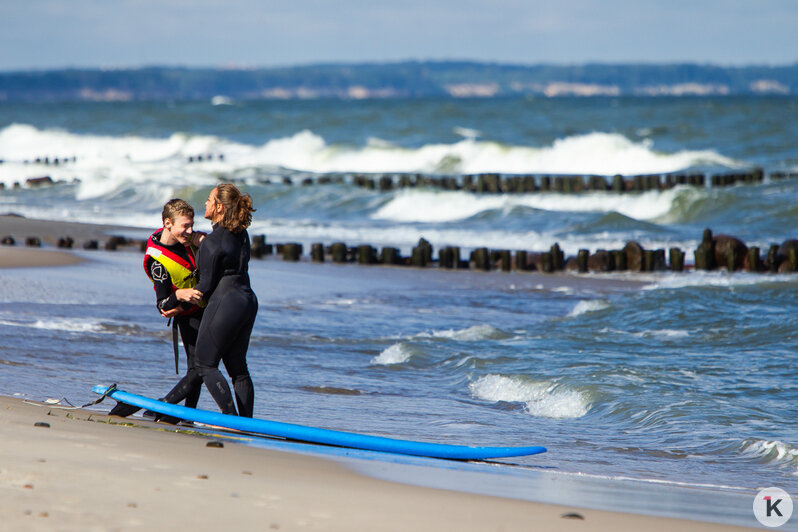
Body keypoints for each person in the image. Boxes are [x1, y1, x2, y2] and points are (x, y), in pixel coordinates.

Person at [108, 199, 205, 418]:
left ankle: (184, 414)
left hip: (205, 309)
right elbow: (162, 305)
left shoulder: (188, 240)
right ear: (168, 223)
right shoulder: (157, 262)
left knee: (198, 368)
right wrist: (179, 295)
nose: (190, 231)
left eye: (192, 225)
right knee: (198, 369)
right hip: (188, 316)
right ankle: (165, 409)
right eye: (185, 226)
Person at [180, 183, 258, 417]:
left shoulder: (213, 242)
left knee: (204, 364)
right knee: (238, 368)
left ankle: (230, 418)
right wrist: (200, 242)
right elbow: (223, 250)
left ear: (219, 208)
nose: (205, 203)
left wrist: (175, 304)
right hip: (248, 300)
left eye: (209, 199)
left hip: (226, 302)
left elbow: (204, 287)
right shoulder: (241, 234)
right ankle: (247, 422)